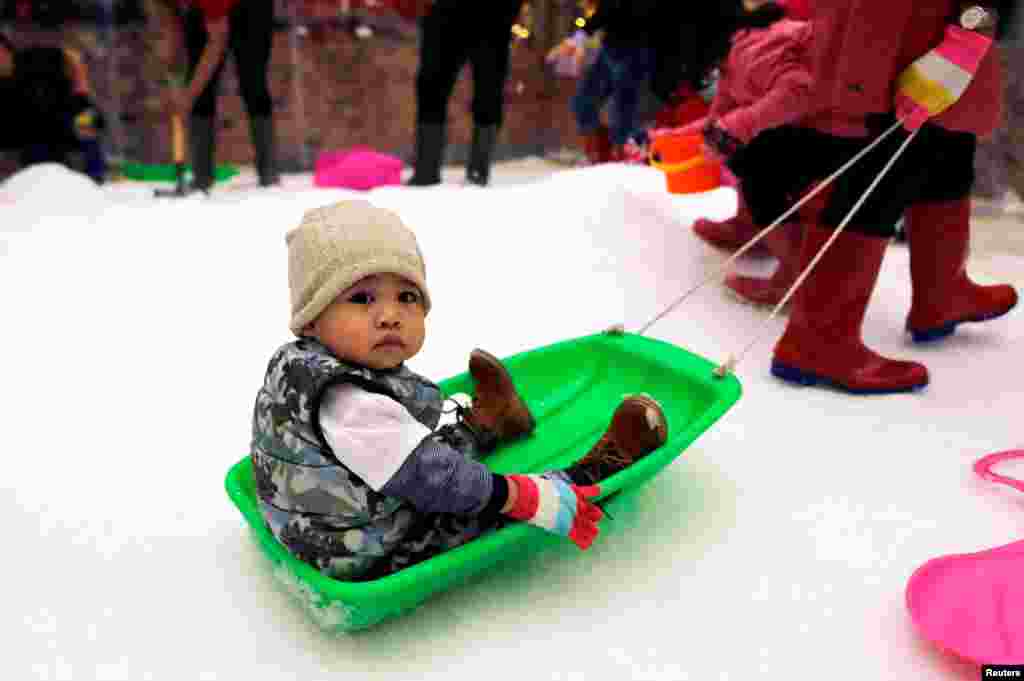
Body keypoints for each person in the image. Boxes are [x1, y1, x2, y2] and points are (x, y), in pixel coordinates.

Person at [251, 200, 669, 580]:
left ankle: (491, 424)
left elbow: (395, 453)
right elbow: (429, 476)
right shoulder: (349, 403)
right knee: (477, 499)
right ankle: (590, 476)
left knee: (410, 454)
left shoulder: (303, 365)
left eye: (407, 296)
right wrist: (514, 494)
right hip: (367, 550)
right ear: (311, 318)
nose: (390, 315)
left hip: (313, 523)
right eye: (362, 298)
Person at [762, 0, 1018, 394]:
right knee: (886, 152)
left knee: (947, 141)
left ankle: (942, 292)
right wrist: (973, 26)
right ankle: (819, 339)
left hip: (919, 20)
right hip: (903, 24)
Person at [155, 0, 279, 192]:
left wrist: (187, 98)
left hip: (251, 7)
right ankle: (202, 177)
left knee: (253, 81)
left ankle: (269, 175)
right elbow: (169, 20)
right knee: (199, 85)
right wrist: (172, 58)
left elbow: (216, 42)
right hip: (204, 9)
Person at [406, 0, 525, 187]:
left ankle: (478, 172)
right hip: (444, 13)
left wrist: (509, 14)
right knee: (430, 85)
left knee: (489, 92)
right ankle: (425, 170)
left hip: (493, 16)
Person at [0, 33, 106, 183]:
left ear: (8, 50)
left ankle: (94, 182)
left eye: (2, 52)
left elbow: (70, 59)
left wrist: (79, 80)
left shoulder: (35, 63)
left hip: (59, 125)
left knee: (88, 123)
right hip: (26, 136)